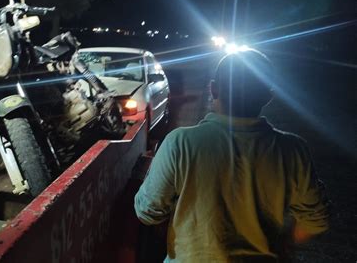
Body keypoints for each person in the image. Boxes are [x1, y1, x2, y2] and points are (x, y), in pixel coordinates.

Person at [134, 49, 329, 262]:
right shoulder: (292, 150)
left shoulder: (180, 143)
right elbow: (316, 220)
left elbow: (147, 212)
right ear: (267, 97)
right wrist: (284, 243)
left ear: (213, 89)